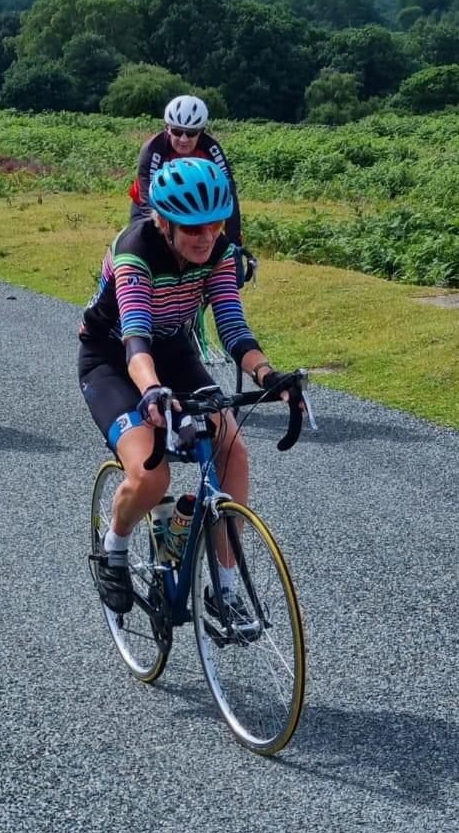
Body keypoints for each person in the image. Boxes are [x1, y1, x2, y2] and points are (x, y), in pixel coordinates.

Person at [78, 155, 299, 613]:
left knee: (232, 449)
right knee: (151, 475)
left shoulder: (220, 252)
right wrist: (153, 391)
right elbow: (136, 339)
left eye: (214, 225)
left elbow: (234, 329)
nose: (206, 237)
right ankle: (114, 548)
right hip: (113, 358)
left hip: (174, 351)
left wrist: (268, 375)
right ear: (163, 221)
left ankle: (226, 588)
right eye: (193, 228)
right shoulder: (135, 251)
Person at [132, 95, 243, 252]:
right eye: (177, 131)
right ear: (167, 128)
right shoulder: (152, 150)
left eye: (191, 133)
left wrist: (234, 241)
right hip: (151, 199)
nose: (183, 139)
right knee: (147, 244)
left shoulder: (211, 149)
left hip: (191, 204)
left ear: (201, 132)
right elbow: (146, 202)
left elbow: (229, 195)